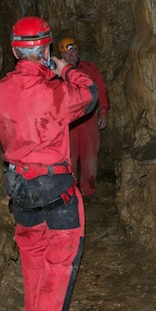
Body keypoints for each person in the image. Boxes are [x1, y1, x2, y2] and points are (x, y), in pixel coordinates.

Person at [0, 16, 97, 311]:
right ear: (45, 50)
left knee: (32, 256)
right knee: (60, 256)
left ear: (15, 50)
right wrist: (64, 70)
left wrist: (16, 81)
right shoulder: (55, 92)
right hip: (53, 184)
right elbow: (89, 95)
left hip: (19, 186)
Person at [56, 36, 110, 199]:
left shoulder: (89, 68)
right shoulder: (57, 74)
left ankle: (88, 190)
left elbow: (100, 89)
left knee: (90, 155)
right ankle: (69, 191)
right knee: (69, 158)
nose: (71, 56)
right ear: (61, 56)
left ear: (77, 52)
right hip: (68, 122)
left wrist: (104, 111)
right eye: (67, 54)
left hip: (88, 118)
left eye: (73, 52)